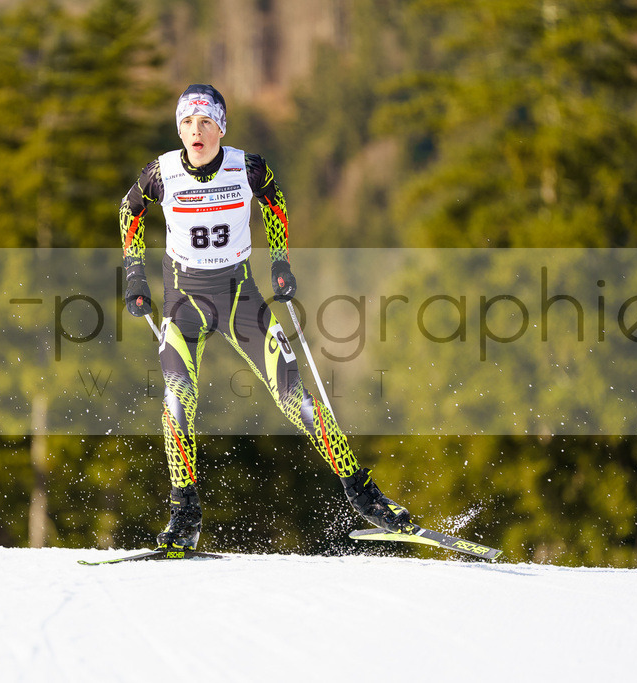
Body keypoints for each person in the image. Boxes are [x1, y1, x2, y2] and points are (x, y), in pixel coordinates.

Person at [119, 84, 416, 551]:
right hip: (184, 304)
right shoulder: (162, 172)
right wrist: (134, 275)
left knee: (297, 400)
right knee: (178, 400)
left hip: (240, 298)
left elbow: (275, 204)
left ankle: (366, 496)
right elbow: (129, 211)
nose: (195, 132)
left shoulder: (247, 167)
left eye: (205, 123)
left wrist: (280, 262)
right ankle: (184, 515)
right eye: (187, 124)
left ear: (221, 128)